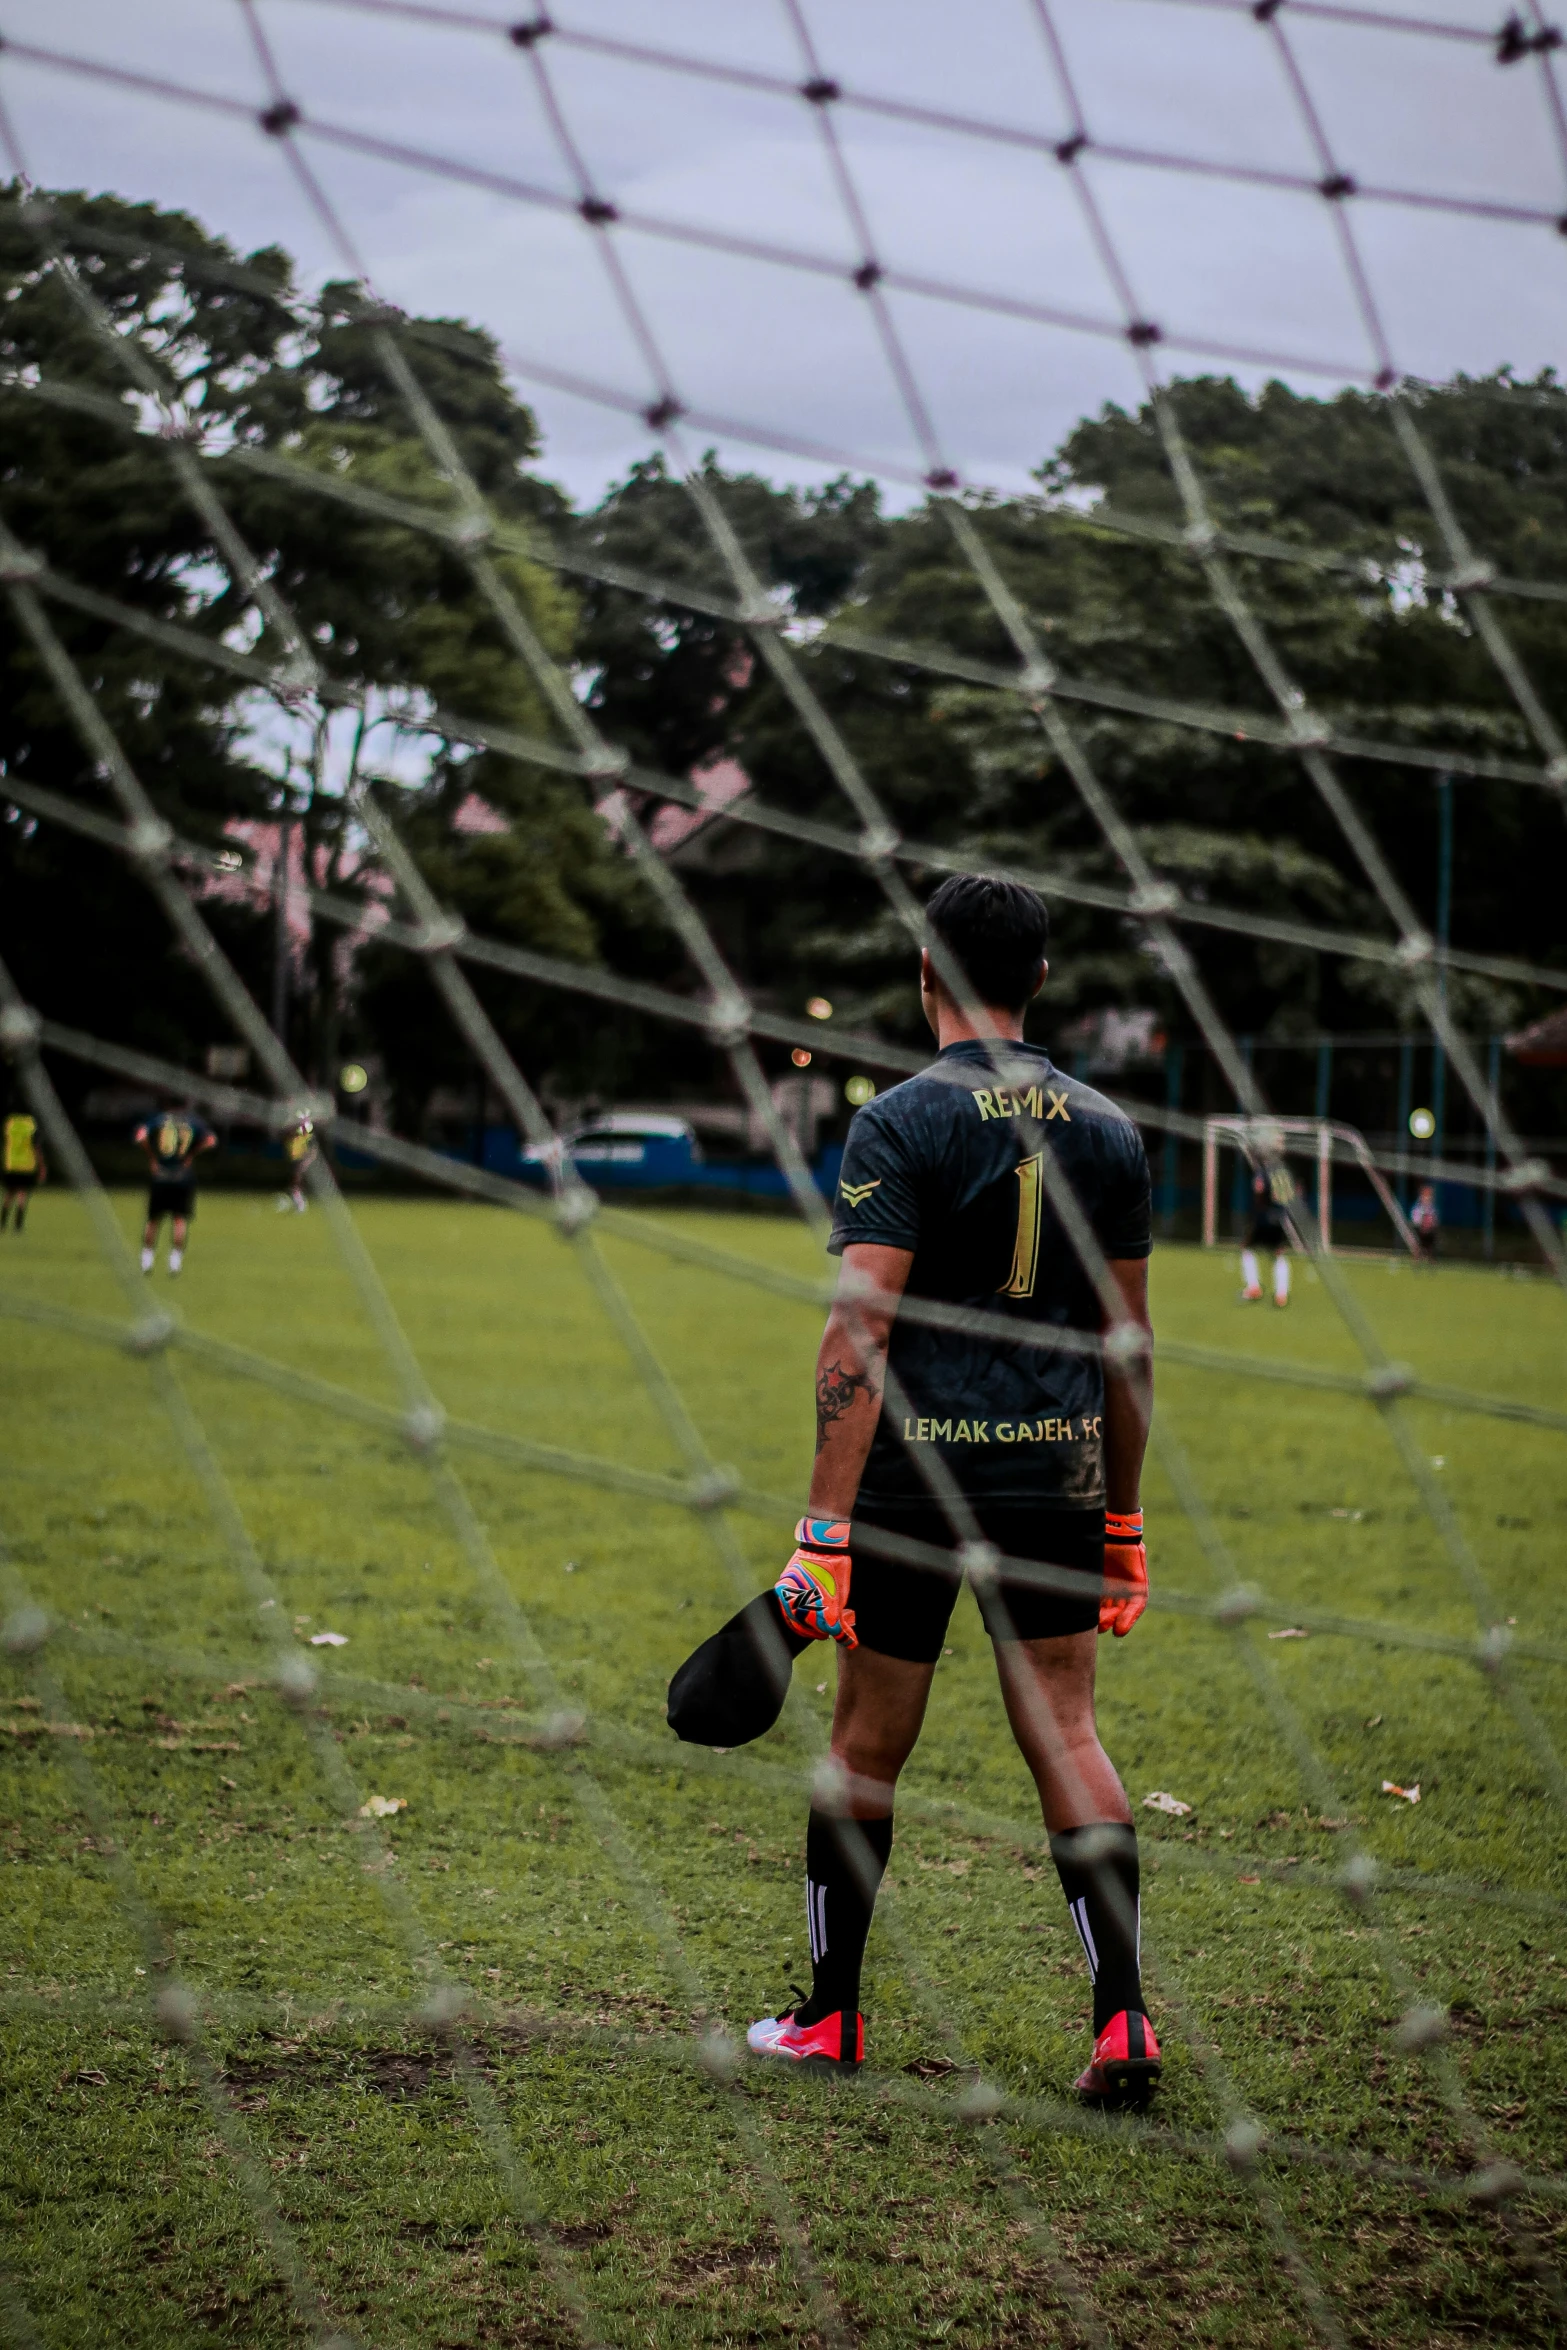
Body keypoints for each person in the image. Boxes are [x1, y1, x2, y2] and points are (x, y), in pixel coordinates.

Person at [745, 875, 1159, 2102]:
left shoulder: (897, 1120)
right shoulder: (1110, 1129)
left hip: (912, 1484)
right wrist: (1122, 1521)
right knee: (1069, 1732)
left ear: (923, 972)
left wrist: (822, 1531)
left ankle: (830, 2020)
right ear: (1038, 978)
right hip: (1056, 1470)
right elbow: (1127, 1348)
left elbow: (853, 1337)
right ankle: (1123, 2020)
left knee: (866, 1743)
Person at [135, 1104, 216, 1276]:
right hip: (182, 1177)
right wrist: (191, 1155)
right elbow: (210, 1140)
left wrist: (152, 1158)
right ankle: (174, 1263)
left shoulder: (158, 1120)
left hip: (160, 1176)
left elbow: (140, 1137)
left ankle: (146, 1261)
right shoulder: (193, 1122)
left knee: (153, 1220)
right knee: (179, 1219)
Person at [1240, 1167, 1293, 1308]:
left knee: (1247, 1249)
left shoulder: (1263, 1172)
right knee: (1278, 1254)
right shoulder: (1282, 1172)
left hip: (1264, 1218)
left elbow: (1259, 1189)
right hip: (1279, 1219)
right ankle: (1281, 1294)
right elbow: (1287, 1195)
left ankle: (1254, 1287)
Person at [1, 1109, 46, 1233]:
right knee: (22, 1194)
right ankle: (18, 1226)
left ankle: (3, 1224)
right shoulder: (30, 1125)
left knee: (8, 1195)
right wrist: (42, 1166)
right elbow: (36, 1147)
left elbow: (6, 1143)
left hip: (11, 1164)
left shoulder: (10, 1123)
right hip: (26, 1166)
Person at [277, 1114, 317, 1213]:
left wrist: (307, 1158)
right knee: (296, 1178)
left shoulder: (306, 1134)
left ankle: (299, 1200)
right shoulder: (290, 1136)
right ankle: (298, 1199)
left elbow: (312, 1149)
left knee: (298, 1175)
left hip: (304, 1157)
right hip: (296, 1157)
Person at [1410, 1182, 1439, 1266]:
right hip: (1420, 1228)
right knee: (1418, 1245)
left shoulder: (1431, 1207)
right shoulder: (1419, 1206)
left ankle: (1431, 1260)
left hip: (1429, 1229)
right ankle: (1416, 1260)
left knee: (1430, 1245)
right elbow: (1415, 1216)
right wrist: (1420, 1224)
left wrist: (1431, 1224)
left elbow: (1434, 1218)